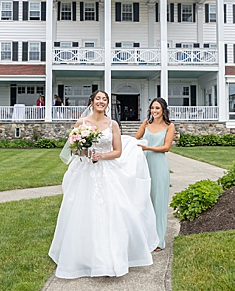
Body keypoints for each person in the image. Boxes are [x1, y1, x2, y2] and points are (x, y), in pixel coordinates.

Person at [48, 90, 158, 279]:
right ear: (92, 102)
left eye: (104, 99)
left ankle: (112, 257)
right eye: (98, 98)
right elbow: (74, 148)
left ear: (107, 104)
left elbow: (117, 151)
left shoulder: (113, 124)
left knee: (114, 211)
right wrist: (86, 153)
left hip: (108, 171)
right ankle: (84, 257)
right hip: (85, 173)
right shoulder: (81, 124)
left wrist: (101, 156)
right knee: (83, 212)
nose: (101, 101)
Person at [135, 98, 176, 252]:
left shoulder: (169, 126)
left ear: (163, 110)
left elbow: (166, 147)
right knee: (144, 202)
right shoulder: (146, 124)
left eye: (157, 108)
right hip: (144, 165)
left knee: (158, 203)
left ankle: (158, 240)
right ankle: (144, 238)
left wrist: (147, 148)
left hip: (159, 166)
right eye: (152, 108)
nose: (154, 111)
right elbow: (135, 140)